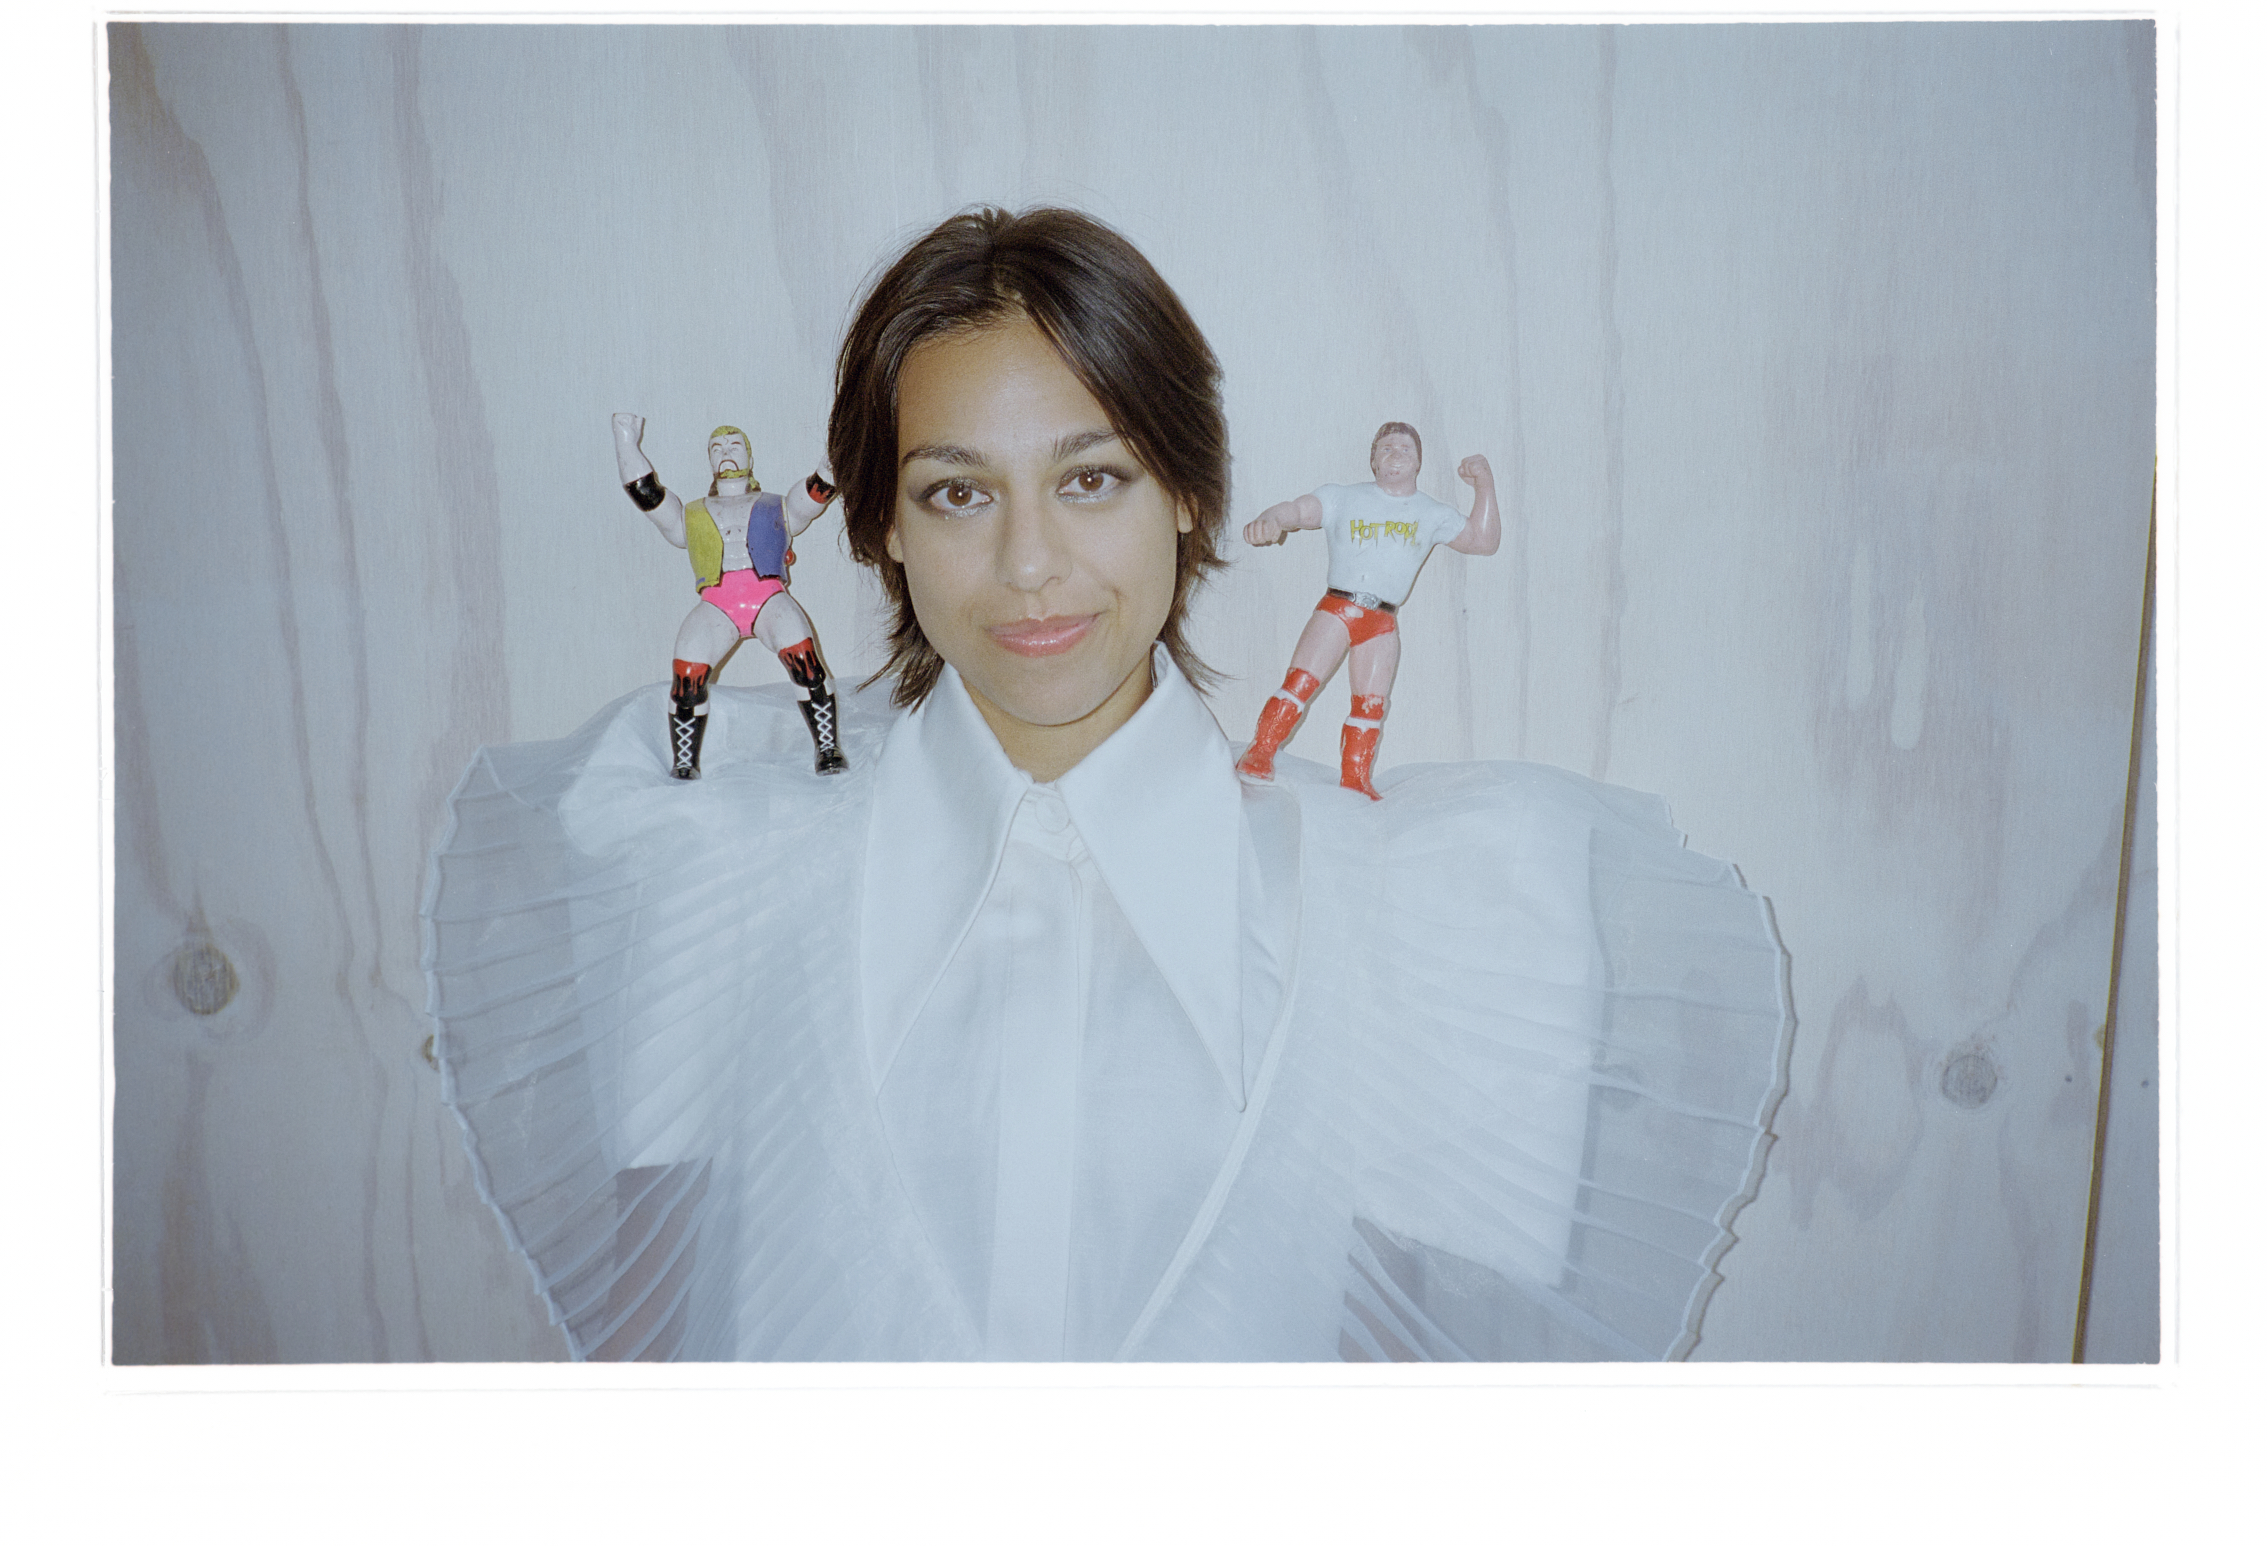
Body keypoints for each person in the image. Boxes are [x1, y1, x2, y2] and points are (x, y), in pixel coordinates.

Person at [425, 207, 1790, 1362]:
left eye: (1090, 478)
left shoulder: (1436, 913)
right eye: (958, 493)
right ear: (882, 524)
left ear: (1187, 492)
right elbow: (666, 1334)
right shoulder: (711, 863)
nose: (1029, 564)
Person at [1237, 426, 1500, 797]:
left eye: (1405, 448)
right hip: (1339, 608)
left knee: (1371, 703)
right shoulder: (1342, 497)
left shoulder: (1430, 512)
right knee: (1300, 683)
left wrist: (1484, 484)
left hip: (1382, 621)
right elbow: (1297, 510)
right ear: (1373, 460)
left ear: (1419, 462)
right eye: (1386, 448)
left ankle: (1356, 778)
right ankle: (1260, 752)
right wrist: (1272, 519)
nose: (1396, 454)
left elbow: (1483, 541)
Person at [611, 414, 846, 777]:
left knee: (807, 666)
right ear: (709, 460)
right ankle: (685, 762)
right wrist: (626, 442)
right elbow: (646, 493)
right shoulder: (690, 514)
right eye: (716, 448)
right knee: (687, 677)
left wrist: (841, 443)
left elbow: (821, 486)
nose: (726, 453)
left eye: (734, 446)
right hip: (716, 606)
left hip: (769, 598)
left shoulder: (778, 505)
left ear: (750, 457)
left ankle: (828, 748)